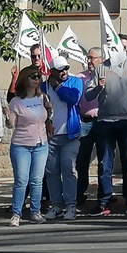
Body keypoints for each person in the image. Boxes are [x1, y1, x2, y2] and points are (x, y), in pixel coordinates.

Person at [85, 39, 127, 216]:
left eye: (125, 47)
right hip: (105, 121)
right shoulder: (100, 68)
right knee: (105, 163)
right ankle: (104, 201)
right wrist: (99, 86)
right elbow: (89, 96)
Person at [6, 66, 51, 226]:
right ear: (25, 80)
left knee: (37, 180)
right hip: (21, 145)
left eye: (38, 76)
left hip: (41, 143)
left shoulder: (43, 98)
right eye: (33, 77)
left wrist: (49, 113)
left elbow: (47, 116)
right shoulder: (16, 102)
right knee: (21, 180)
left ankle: (35, 212)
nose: (37, 79)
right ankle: (16, 213)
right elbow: (11, 125)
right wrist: (8, 116)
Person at [41, 57, 82, 221]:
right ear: (52, 71)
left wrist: (57, 87)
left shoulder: (75, 82)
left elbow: (73, 99)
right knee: (51, 171)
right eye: (60, 69)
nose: (64, 72)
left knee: (68, 169)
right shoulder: (43, 86)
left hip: (70, 134)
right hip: (50, 136)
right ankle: (56, 205)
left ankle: (71, 205)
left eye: (66, 68)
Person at [75, 48, 102, 208]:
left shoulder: (107, 77)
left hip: (102, 123)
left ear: (101, 59)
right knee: (82, 160)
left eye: (93, 58)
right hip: (84, 122)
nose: (90, 61)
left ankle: (104, 194)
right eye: (88, 58)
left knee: (104, 160)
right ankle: (79, 193)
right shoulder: (80, 78)